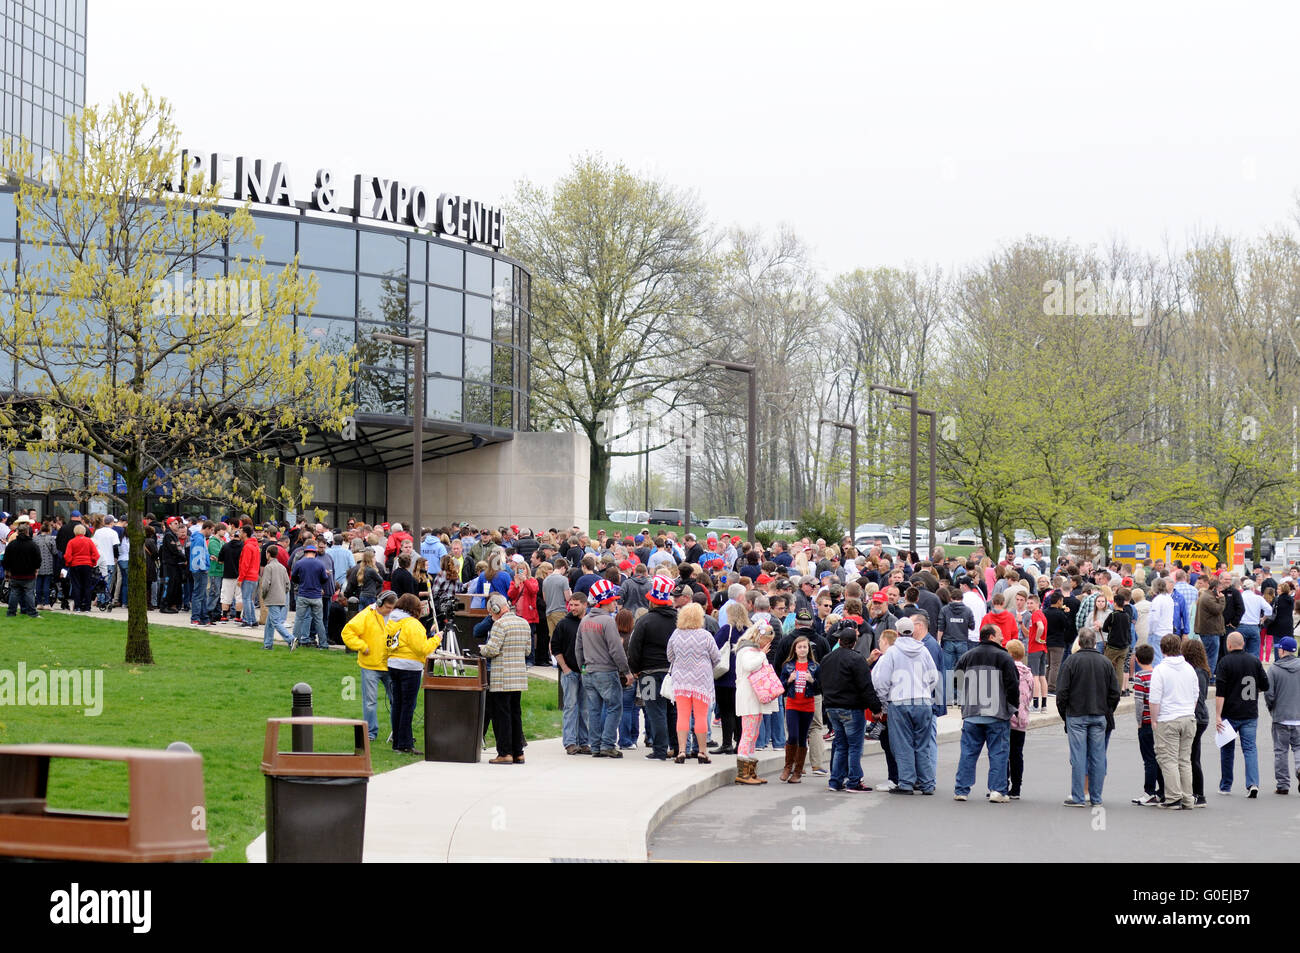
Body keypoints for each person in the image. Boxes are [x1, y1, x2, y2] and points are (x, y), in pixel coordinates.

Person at [871, 612, 939, 795]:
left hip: (899, 701)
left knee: (902, 744)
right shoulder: (923, 650)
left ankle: (907, 782)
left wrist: (884, 702)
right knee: (923, 744)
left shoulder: (892, 652)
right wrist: (925, 690)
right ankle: (927, 783)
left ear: (898, 632)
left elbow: (882, 681)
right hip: (923, 701)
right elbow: (934, 677)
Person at [953, 623, 1019, 802]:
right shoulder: (1004, 657)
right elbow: (1013, 685)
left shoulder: (967, 656)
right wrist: (1014, 707)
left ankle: (961, 789)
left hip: (972, 712)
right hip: (996, 712)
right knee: (998, 753)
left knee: (968, 752)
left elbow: (956, 681)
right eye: (999, 634)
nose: (1002, 637)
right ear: (991, 636)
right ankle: (997, 790)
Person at [1056, 628, 1120, 806]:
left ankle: (1078, 796)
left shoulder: (1071, 661)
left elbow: (1062, 693)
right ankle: (1096, 797)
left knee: (1078, 757)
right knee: (1098, 756)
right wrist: (1107, 710)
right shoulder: (1105, 662)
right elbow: (1115, 692)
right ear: (1093, 642)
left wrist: (1065, 715)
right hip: (1099, 713)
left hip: (1076, 714)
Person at [819, 621, 882, 792]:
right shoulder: (856, 659)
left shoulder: (827, 658)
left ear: (839, 641)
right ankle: (854, 781)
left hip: (832, 706)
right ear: (854, 642)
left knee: (840, 744)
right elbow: (866, 686)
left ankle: (835, 780)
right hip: (851, 707)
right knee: (854, 746)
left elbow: (821, 681)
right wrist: (876, 708)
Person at [576, 578, 633, 759]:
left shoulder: (584, 620)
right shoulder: (607, 622)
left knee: (594, 709)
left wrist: (583, 668)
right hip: (606, 671)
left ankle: (596, 745)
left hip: (589, 672)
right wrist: (626, 671)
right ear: (605, 601)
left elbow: (578, 649)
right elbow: (616, 650)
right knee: (614, 707)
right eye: (614, 600)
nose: (616, 603)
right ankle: (607, 744)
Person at [627, 574, 678, 760]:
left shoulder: (644, 621)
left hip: (648, 674)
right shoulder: (678, 620)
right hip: (673, 674)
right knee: (673, 711)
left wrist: (635, 669)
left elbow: (634, 648)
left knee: (654, 710)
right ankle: (677, 746)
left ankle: (659, 749)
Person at [385, 593, 441, 756]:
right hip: (410, 667)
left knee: (398, 704)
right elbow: (422, 649)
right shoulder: (413, 624)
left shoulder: (392, 621)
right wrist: (436, 639)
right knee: (408, 706)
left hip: (393, 664)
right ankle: (405, 743)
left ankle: (398, 742)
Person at [667, 601, 722, 765]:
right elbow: (717, 657)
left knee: (682, 715)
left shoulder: (676, 634)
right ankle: (702, 752)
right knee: (700, 716)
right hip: (701, 681)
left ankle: (682, 750)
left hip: (681, 680)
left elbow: (670, 656)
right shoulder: (705, 635)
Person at [1215, 630, 1268, 797]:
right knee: (1250, 748)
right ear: (1243, 644)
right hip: (1250, 712)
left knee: (1227, 750)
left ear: (1228, 645)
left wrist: (1217, 715)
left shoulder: (1224, 662)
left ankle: (1226, 785)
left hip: (1229, 713)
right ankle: (1252, 783)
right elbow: (1265, 685)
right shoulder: (1254, 661)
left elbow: (1220, 693)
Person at [478, 592, 530, 764]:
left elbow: (492, 649)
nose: (491, 617)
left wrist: (482, 648)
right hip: (519, 676)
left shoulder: (499, 625)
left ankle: (505, 753)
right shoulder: (524, 623)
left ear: (495, 609)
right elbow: (528, 651)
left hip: (502, 677)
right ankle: (518, 752)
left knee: (502, 716)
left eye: (491, 613)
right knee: (515, 714)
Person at [1149, 634, 1199, 810]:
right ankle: (1188, 797)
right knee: (1184, 760)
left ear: (1162, 650)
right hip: (1188, 716)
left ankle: (1173, 797)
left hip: (1168, 717)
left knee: (1167, 758)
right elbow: (1195, 694)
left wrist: (1154, 720)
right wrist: (1189, 710)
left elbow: (1154, 699)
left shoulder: (1160, 670)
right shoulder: (1189, 668)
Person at [341, 590, 397, 742]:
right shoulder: (366, 615)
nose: (390, 611)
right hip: (370, 665)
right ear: (379, 604)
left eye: (392, 608)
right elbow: (347, 632)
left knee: (396, 700)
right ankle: (371, 733)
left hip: (391, 665)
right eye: (387, 608)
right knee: (370, 702)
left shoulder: (396, 617)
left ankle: (397, 732)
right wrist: (361, 646)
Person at [733, 622, 779, 785]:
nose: (768, 645)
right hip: (749, 697)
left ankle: (750, 770)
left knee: (754, 733)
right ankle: (743, 773)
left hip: (755, 697)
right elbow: (749, 665)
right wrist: (762, 655)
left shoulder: (752, 650)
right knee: (748, 733)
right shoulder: (747, 650)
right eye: (766, 641)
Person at [551, 592, 591, 755]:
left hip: (587, 672)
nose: (572, 608)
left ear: (585, 605)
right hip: (570, 672)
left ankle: (584, 742)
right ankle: (570, 742)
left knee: (585, 709)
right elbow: (555, 647)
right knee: (570, 707)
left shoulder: (590, 623)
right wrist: (565, 668)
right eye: (571, 605)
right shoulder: (563, 624)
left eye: (576, 605)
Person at [779, 635, 819, 783]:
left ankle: (798, 771)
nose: (802, 650)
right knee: (793, 736)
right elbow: (781, 686)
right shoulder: (788, 665)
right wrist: (789, 680)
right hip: (792, 704)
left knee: (803, 738)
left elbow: (820, 687)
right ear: (795, 649)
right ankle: (788, 766)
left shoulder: (814, 666)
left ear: (808, 649)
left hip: (807, 706)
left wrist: (812, 680)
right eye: (799, 647)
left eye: (805, 647)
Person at [1129, 643, 1164, 806]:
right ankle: (1162, 790)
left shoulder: (1140, 676)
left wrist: (1139, 722)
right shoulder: (1157, 674)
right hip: (1160, 721)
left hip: (1147, 721)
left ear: (1136, 659)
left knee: (1149, 758)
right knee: (1159, 757)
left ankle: (1149, 791)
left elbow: (1139, 702)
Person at [1265, 636, 1300, 795]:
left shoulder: (1274, 669)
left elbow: (1269, 694)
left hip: (1281, 716)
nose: (1278, 650)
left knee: (1281, 751)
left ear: (1283, 650)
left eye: (1279, 648)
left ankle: (1283, 785)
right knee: (1299, 747)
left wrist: (1272, 708)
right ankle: (1299, 768)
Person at [1181, 637, 1211, 807]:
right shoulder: (1202, 670)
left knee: (1192, 757)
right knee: (1193, 755)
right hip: (1200, 716)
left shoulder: (1196, 672)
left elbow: (1197, 697)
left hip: (1196, 717)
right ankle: (1194, 792)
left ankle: (1198, 793)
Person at [1006, 638, 1034, 799]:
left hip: (1007, 716)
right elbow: (1030, 694)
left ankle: (1003, 783)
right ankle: (1016, 787)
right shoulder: (1028, 673)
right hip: (1021, 716)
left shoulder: (1007, 669)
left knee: (1003, 753)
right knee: (1017, 753)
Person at [257, 544, 294, 649]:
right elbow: (288, 584)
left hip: (272, 599)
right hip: (281, 598)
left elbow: (265, 585)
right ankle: (268, 644)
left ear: (268, 554)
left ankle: (290, 639)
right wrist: (283, 592)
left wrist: (264, 596)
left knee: (276, 622)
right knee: (269, 623)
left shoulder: (269, 567)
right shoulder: (282, 567)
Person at [3, 517, 40, 617]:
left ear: (18, 532)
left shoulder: (12, 545)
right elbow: (37, 559)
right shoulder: (33, 545)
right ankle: (32, 612)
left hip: (15, 573)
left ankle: (11, 612)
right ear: (28, 532)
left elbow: (6, 559)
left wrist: (7, 570)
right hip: (29, 573)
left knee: (14, 593)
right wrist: (36, 569)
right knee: (29, 593)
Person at [62, 522, 99, 612]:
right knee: (87, 586)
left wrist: (69, 563)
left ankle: (77, 606)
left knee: (76, 585)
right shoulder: (89, 541)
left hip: (75, 565)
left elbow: (67, 555)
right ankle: (87, 607)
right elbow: (96, 554)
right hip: (87, 565)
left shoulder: (71, 542)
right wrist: (93, 562)